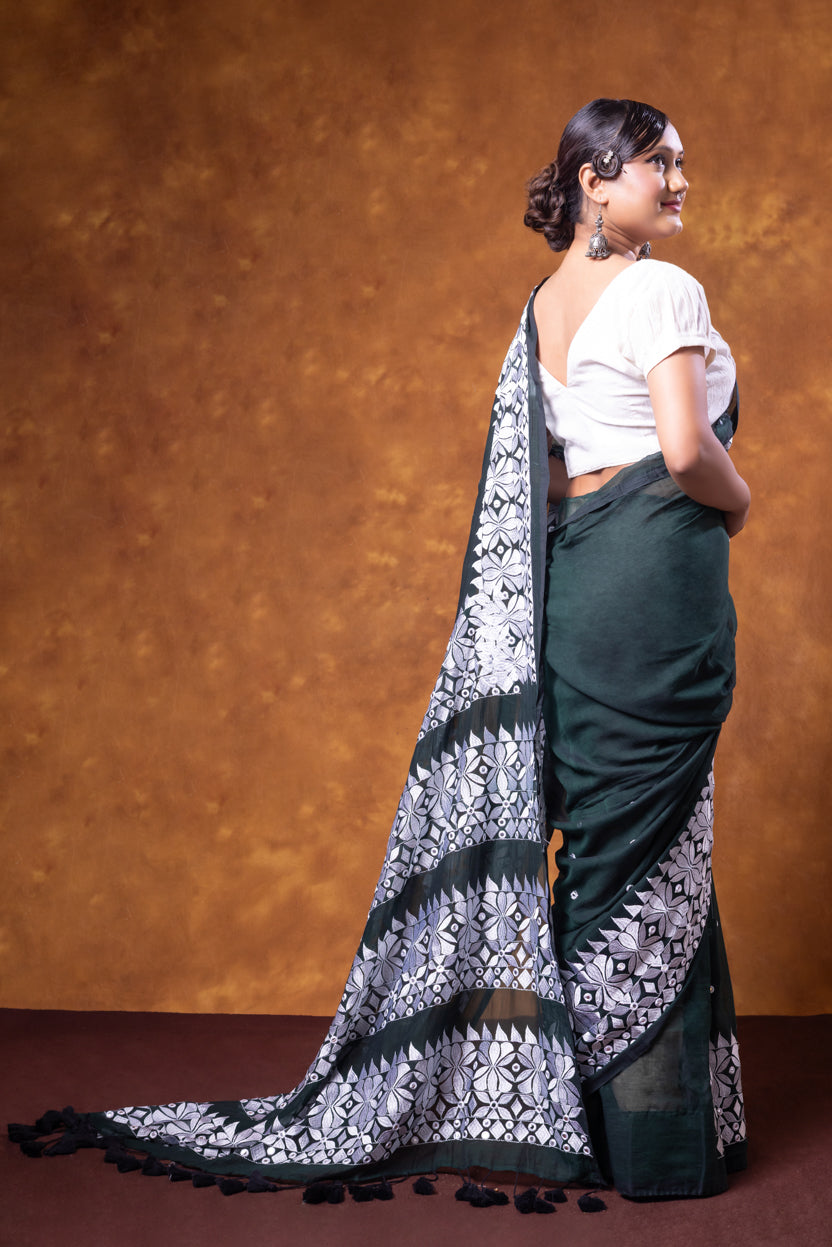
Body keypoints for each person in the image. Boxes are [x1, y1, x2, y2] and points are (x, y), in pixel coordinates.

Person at [9, 99, 748, 1203]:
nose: (680, 181)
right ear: (595, 178)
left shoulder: (544, 302)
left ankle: (592, 1113)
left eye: (682, 162)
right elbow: (687, 447)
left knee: (604, 832)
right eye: (658, 163)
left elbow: (544, 477)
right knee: (649, 835)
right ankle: (655, 1145)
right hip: (652, 581)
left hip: (584, 577)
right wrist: (734, 506)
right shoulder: (662, 289)